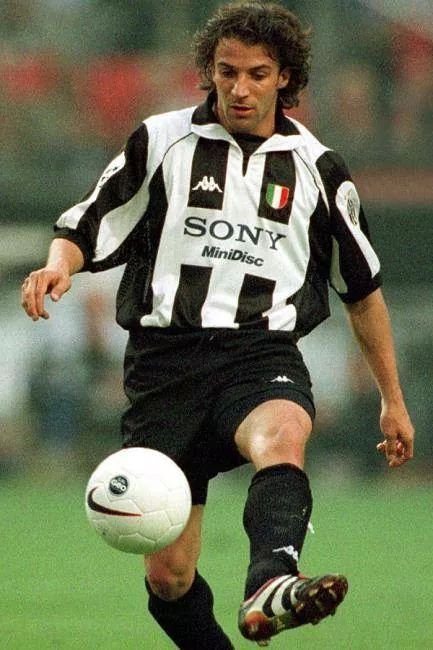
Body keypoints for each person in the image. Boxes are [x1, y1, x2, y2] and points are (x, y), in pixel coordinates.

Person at [21, 2, 415, 647]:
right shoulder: (162, 140)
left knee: (282, 433)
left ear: (285, 77)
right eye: (227, 71)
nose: (239, 88)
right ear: (209, 70)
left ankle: (272, 581)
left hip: (260, 353)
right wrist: (57, 265)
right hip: (165, 364)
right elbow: (89, 221)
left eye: (257, 74)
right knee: (169, 578)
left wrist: (391, 399)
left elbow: (363, 292)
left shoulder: (318, 168)